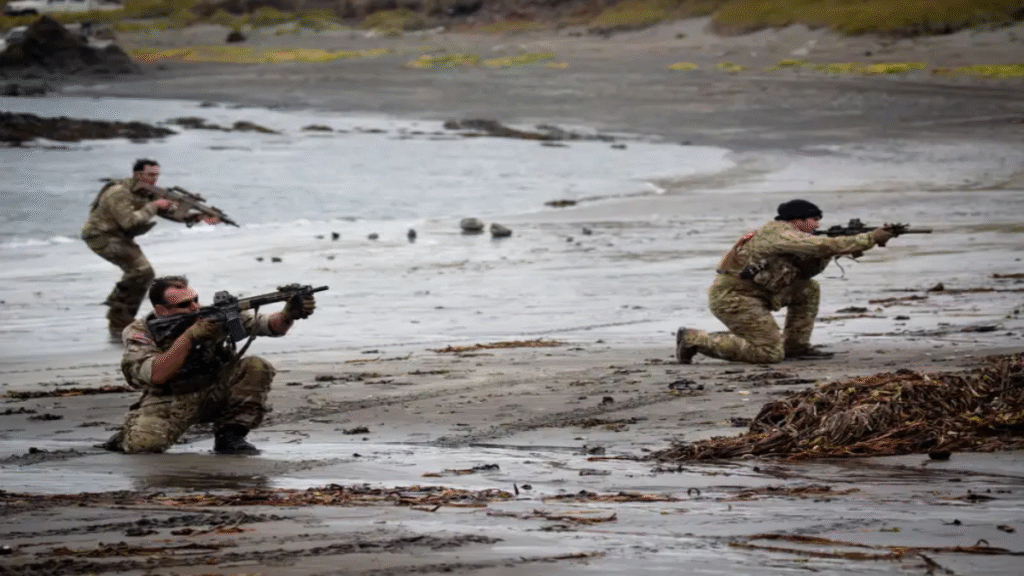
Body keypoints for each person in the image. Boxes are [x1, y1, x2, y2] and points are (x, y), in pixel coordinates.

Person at [101, 275, 317, 455]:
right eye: (184, 305)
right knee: (144, 446)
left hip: (216, 388)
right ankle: (125, 435)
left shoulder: (211, 315)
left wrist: (289, 314)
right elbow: (155, 375)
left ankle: (230, 437)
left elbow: (269, 326)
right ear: (162, 310)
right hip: (171, 398)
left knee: (256, 366)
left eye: (195, 300)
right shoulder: (140, 332)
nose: (194, 307)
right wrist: (188, 337)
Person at [676, 199, 895, 365]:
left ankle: (796, 347)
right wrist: (870, 238)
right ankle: (694, 339)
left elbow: (808, 272)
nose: (818, 224)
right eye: (814, 219)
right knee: (768, 353)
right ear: (798, 220)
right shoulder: (779, 234)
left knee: (808, 289)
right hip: (734, 298)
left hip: (760, 292)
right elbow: (821, 245)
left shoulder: (791, 236)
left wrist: (833, 250)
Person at [81, 159, 221, 339]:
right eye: (150, 175)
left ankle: (120, 318)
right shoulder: (118, 192)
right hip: (100, 235)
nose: (154, 179)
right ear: (137, 174)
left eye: (156, 175)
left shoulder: (148, 191)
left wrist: (198, 216)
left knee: (142, 273)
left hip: (120, 237)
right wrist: (155, 205)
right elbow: (129, 221)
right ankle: (119, 321)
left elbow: (170, 213)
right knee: (141, 271)